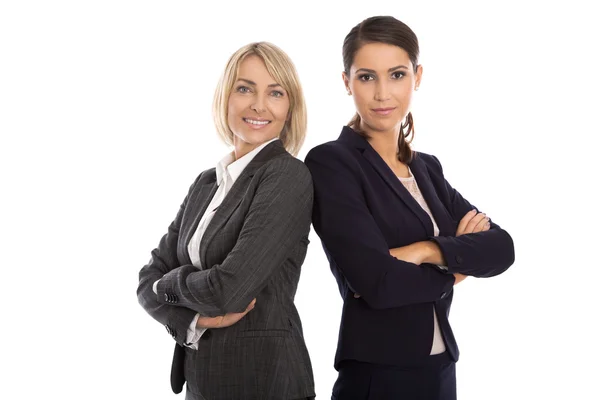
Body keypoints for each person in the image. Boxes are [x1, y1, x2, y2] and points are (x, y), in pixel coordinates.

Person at [304, 16, 515, 400]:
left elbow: (502, 249)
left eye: (397, 75)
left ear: (417, 77)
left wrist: (425, 251)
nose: (383, 93)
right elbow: (378, 284)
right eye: (367, 77)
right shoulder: (331, 163)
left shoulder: (426, 168)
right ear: (346, 82)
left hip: (440, 370)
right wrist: (458, 271)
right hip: (378, 376)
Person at [137, 42, 315, 400]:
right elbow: (146, 280)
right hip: (203, 382)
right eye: (245, 88)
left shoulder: (286, 176)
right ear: (226, 97)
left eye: (275, 93)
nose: (258, 105)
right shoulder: (206, 183)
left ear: (289, 108)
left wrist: (167, 285)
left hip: (263, 382)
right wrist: (193, 318)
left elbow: (228, 291)